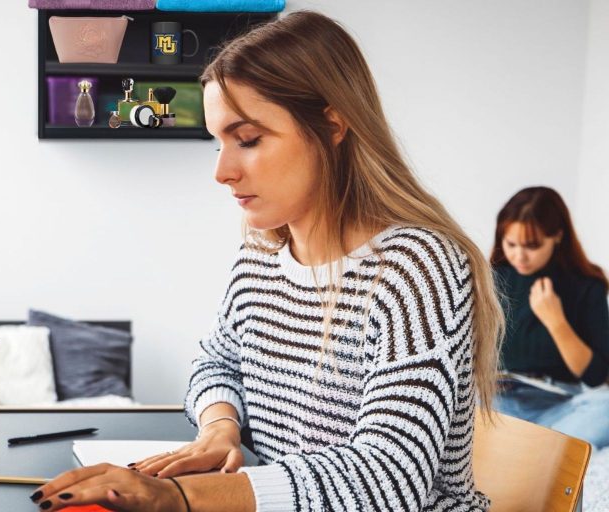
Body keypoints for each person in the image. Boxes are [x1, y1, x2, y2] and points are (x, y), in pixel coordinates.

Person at [31, 11, 503, 511]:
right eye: (219, 142)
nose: (221, 171)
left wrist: (180, 497)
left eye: (249, 139)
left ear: (332, 125)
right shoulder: (260, 258)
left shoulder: (416, 268)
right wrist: (218, 425)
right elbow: (216, 362)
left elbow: (389, 476)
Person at [491, 186, 609, 448]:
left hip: (558, 405)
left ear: (557, 236)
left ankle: (531, 446)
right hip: (498, 402)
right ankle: (538, 447)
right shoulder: (493, 278)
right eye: (510, 244)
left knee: (606, 407)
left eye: (532, 246)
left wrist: (555, 321)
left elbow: (595, 376)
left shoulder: (587, 285)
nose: (519, 256)